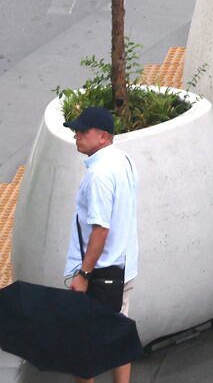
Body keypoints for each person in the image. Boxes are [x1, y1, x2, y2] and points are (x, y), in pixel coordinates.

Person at [64, 106, 138, 383]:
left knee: (81, 349)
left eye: (83, 131)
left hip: (100, 274)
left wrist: (83, 275)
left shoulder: (98, 175)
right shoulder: (124, 160)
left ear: (103, 136)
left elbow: (100, 230)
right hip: (124, 268)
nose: (76, 135)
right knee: (119, 337)